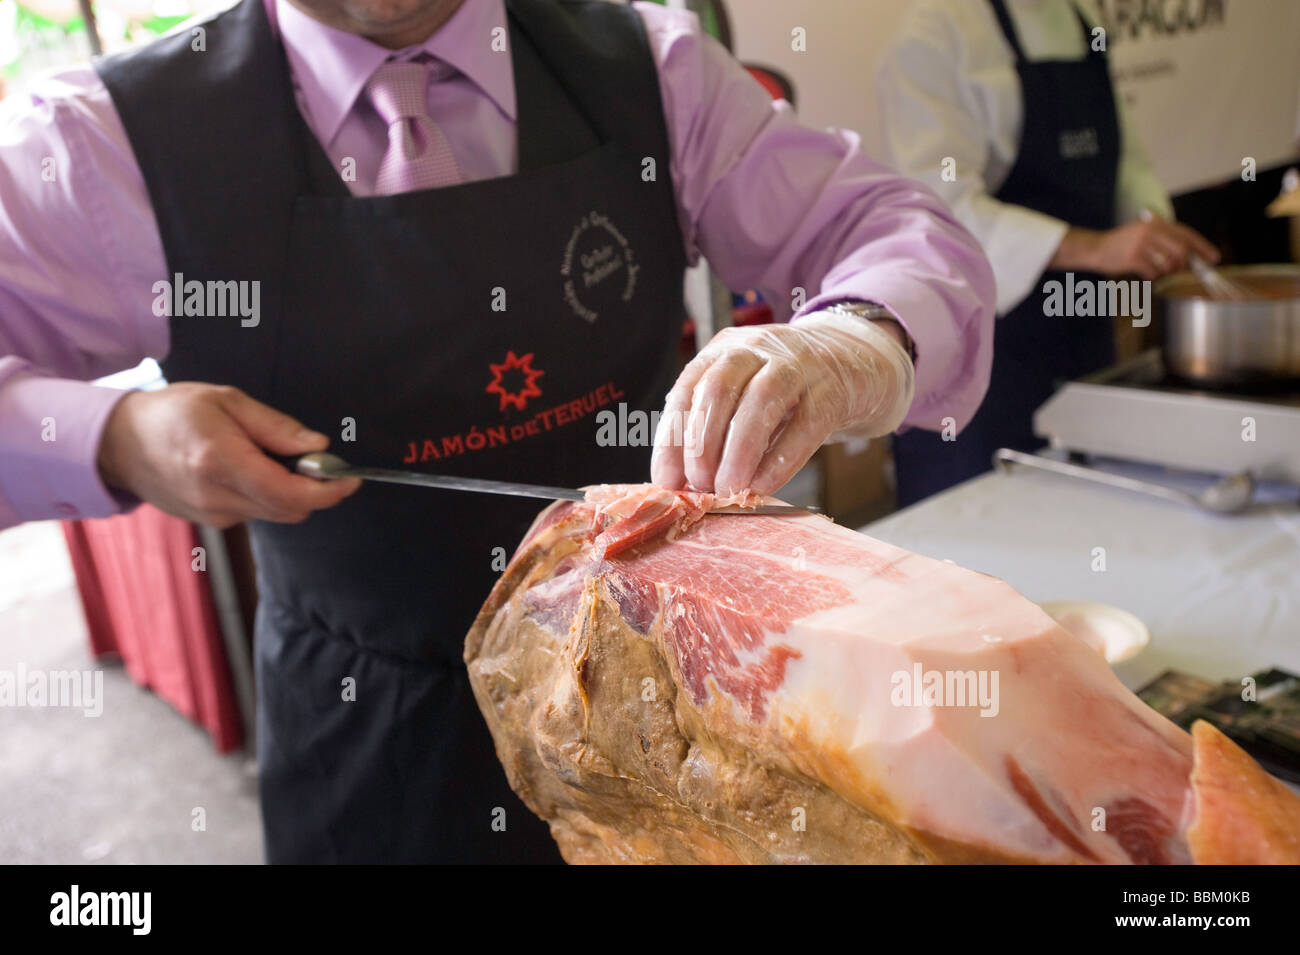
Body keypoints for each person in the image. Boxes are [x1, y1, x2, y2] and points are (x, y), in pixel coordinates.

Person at [0, 0, 994, 862]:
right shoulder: (115, 139)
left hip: (675, 710)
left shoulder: (646, 68)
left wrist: (852, 343)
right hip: (371, 735)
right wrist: (115, 435)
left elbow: (889, 229)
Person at [877, 0, 1218, 507]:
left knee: (1092, 518)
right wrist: (1098, 248)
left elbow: (1124, 159)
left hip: (1081, 340)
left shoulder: (1081, 18)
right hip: (979, 363)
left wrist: (1149, 223)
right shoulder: (933, 31)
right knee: (979, 547)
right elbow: (941, 207)